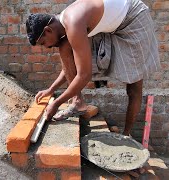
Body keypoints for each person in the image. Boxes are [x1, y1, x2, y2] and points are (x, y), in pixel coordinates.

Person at [26, 0, 160, 136]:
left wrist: (56, 103)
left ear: (48, 30)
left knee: (134, 87)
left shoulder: (74, 22)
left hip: (134, 18)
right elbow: (71, 67)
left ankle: (126, 134)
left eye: (43, 43)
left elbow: (84, 75)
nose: (46, 47)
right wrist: (51, 89)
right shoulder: (65, 24)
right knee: (64, 46)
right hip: (113, 24)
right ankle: (78, 102)